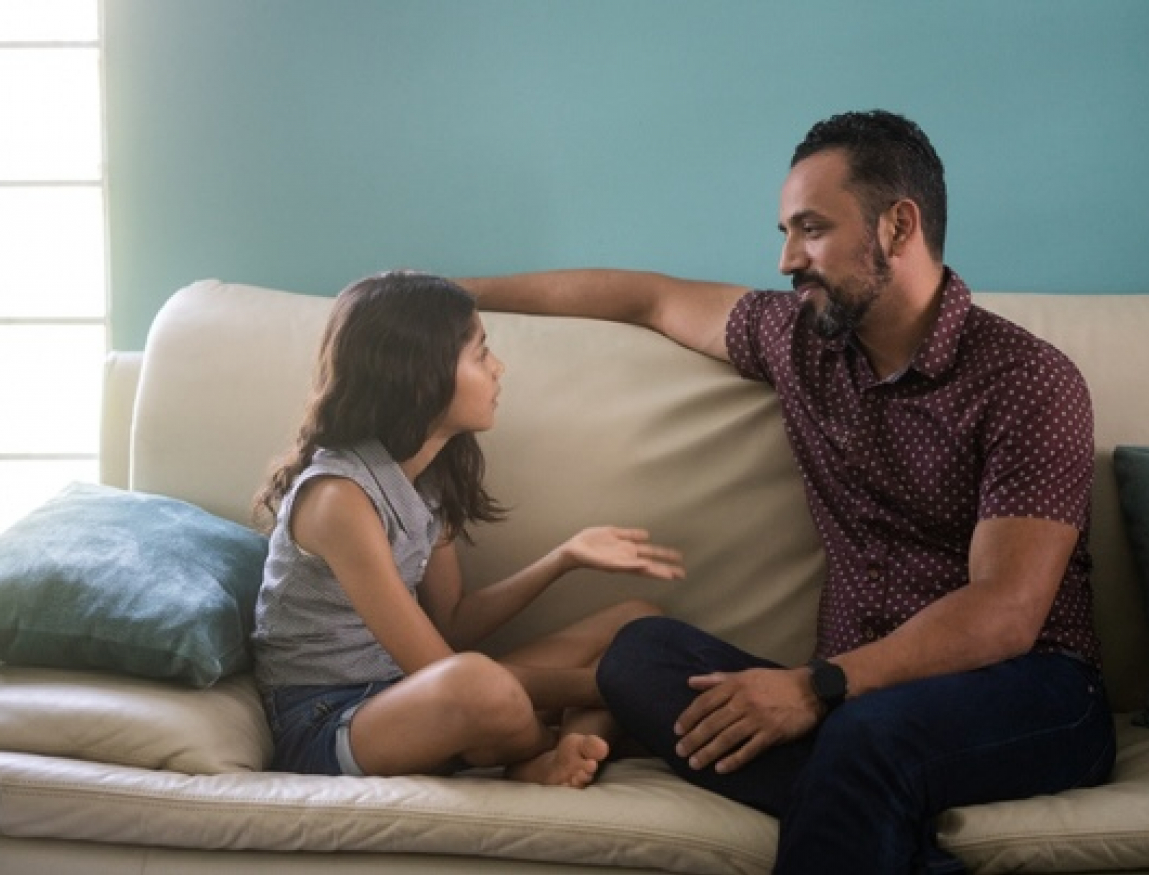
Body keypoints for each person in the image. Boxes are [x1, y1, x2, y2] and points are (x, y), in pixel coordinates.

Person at [460, 110, 1115, 871]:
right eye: (785, 230)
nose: (784, 260)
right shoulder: (798, 339)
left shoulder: (1027, 379)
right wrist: (442, 293)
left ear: (897, 227)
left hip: (1032, 692)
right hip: (853, 701)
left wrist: (817, 686)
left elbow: (1006, 611)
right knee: (638, 654)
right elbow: (647, 298)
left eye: (810, 229)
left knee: (864, 737)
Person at [250, 270, 685, 789]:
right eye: (481, 354)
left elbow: (453, 622)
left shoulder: (427, 477)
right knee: (477, 683)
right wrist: (608, 686)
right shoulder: (338, 498)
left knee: (637, 624)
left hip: (407, 692)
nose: (498, 369)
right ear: (420, 376)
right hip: (331, 722)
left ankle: (561, 745)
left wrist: (564, 558)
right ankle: (543, 748)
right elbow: (437, 668)